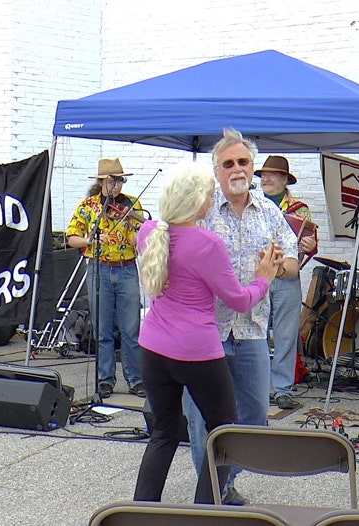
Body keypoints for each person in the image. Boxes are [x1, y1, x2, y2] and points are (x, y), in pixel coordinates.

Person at [132, 163, 281, 503]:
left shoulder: (150, 231)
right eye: (210, 193)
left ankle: (142, 508)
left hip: (153, 348)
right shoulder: (206, 243)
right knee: (224, 434)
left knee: (163, 432)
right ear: (197, 202)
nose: (214, 197)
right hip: (196, 352)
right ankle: (205, 511)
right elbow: (239, 300)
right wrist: (264, 277)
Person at [182, 129, 299, 505]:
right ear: (216, 170)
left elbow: (293, 264)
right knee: (202, 417)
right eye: (228, 163)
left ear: (253, 168)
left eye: (243, 162)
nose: (237, 169)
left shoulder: (269, 211)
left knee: (255, 413)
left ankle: (226, 478)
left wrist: (276, 269)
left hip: (251, 329)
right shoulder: (198, 210)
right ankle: (212, 492)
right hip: (205, 332)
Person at [66, 158, 147, 400]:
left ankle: (136, 378)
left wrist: (135, 222)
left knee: (131, 329)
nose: (117, 186)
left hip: (127, 269)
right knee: (102, 329)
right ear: (102, 181)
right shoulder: (88, 206)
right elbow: (72, 237)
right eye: (113, 181)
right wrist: (90, 241)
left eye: (120, 180)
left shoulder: (131, 205)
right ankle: (105, 380)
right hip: (98, 268)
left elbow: (139, 237)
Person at [255, 155, 318, 410]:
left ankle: (281, 389)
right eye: (263, 175)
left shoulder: (299, 209)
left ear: (284, 179)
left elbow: (309, 245)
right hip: (258, 275)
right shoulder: (251, 204)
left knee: (285, 334)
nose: (266, 179)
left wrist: (310, 246)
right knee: (255, 332)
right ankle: (257, 387)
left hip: (287, 278)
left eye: (272, 175)